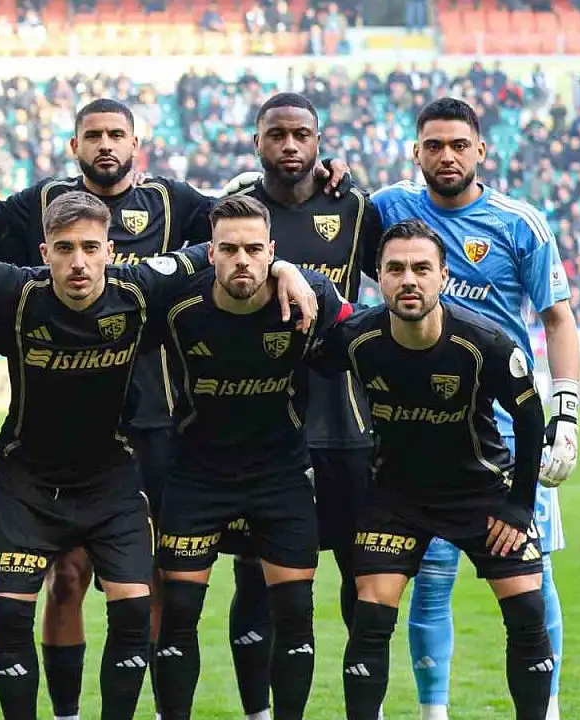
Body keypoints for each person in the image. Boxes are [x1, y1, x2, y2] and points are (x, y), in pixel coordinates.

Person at [0, 97, 349, 720]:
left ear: (110, 250)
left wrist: (282, 265)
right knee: (23, 608)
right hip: (28, 474)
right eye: (64, 249)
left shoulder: (141, 287)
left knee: (143, 603)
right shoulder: (16, 287)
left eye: (91, 248)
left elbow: (227, 242)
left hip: (123, 461)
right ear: (44, 251)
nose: (78, 261)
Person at [369, 98, 580, 720]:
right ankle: (433, 712)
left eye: (459, 145)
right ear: (416, 152)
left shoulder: (520, 224)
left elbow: (557, 317)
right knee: (432, 579)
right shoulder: (388, 208)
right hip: (425, 431)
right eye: (434, 145)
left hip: (511, 430)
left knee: (534, 577)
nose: (447, 156)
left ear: (481, 151)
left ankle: (547, 708)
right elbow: (328, 216)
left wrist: (565, 414)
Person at [311, 219, 554, 720]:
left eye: (422, 268)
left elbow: (530, 419)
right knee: (370, 617)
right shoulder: (355, 338)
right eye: (396, 269)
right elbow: (300, 370)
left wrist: (518, 505)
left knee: (528, 612)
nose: (409, 280)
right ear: (379, 277)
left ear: (443, 276)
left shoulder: (485, 342)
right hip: (395, 496)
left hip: (481, 491)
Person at [150, 194, 353, 720]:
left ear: (271, 251)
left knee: (295, 615)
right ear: (210, 252)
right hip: (197, 476)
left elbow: (361, 333)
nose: (242, 260)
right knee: (178, 613)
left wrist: (291, 273)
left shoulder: (309, 298)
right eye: (229, 249)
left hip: (280, 476)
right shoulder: (176, 306)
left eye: (254, 250)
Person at [223, 91, 384, 720]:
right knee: (257, 580)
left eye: (301, 135)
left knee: (360, 577)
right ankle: (258, 713)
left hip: (345, 423)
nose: (289, 146)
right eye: (277, 135)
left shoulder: (355, 207)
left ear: (319, 142)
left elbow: (402, 279)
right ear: (257, 142)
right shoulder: (236, 211)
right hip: (261, 424)